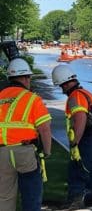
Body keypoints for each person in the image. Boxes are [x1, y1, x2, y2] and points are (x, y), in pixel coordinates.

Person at [51, 65, 92, 209]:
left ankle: (75, 200)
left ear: (65, 82)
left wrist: (75, 141)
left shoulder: (75, 97)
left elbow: (80, 119)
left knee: (77, 166)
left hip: (89, 135)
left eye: (61, 86)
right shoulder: (84, 93)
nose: (61, 89)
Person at [0, 58, 52, 211]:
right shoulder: (32, 99)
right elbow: (44, 129)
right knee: (31, 195)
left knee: (4, 198)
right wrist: (47, 152)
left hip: (1, 153)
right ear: (25, 78)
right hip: (25, 152)